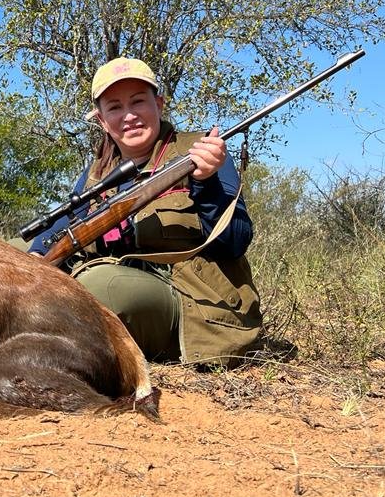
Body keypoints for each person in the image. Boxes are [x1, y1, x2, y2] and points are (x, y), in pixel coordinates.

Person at [28, 57, 261, 366]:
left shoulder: (201, 151)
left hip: (193, 306)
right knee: (9, 254)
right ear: (101, 121)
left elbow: (236, 241)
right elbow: (65, 220)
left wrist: (206, 184)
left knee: (98, 286)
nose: (129, 116)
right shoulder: (99, 171)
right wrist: (32, 255)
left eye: (138, 102)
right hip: (124, 282)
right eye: (115, 107)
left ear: (159, 104)